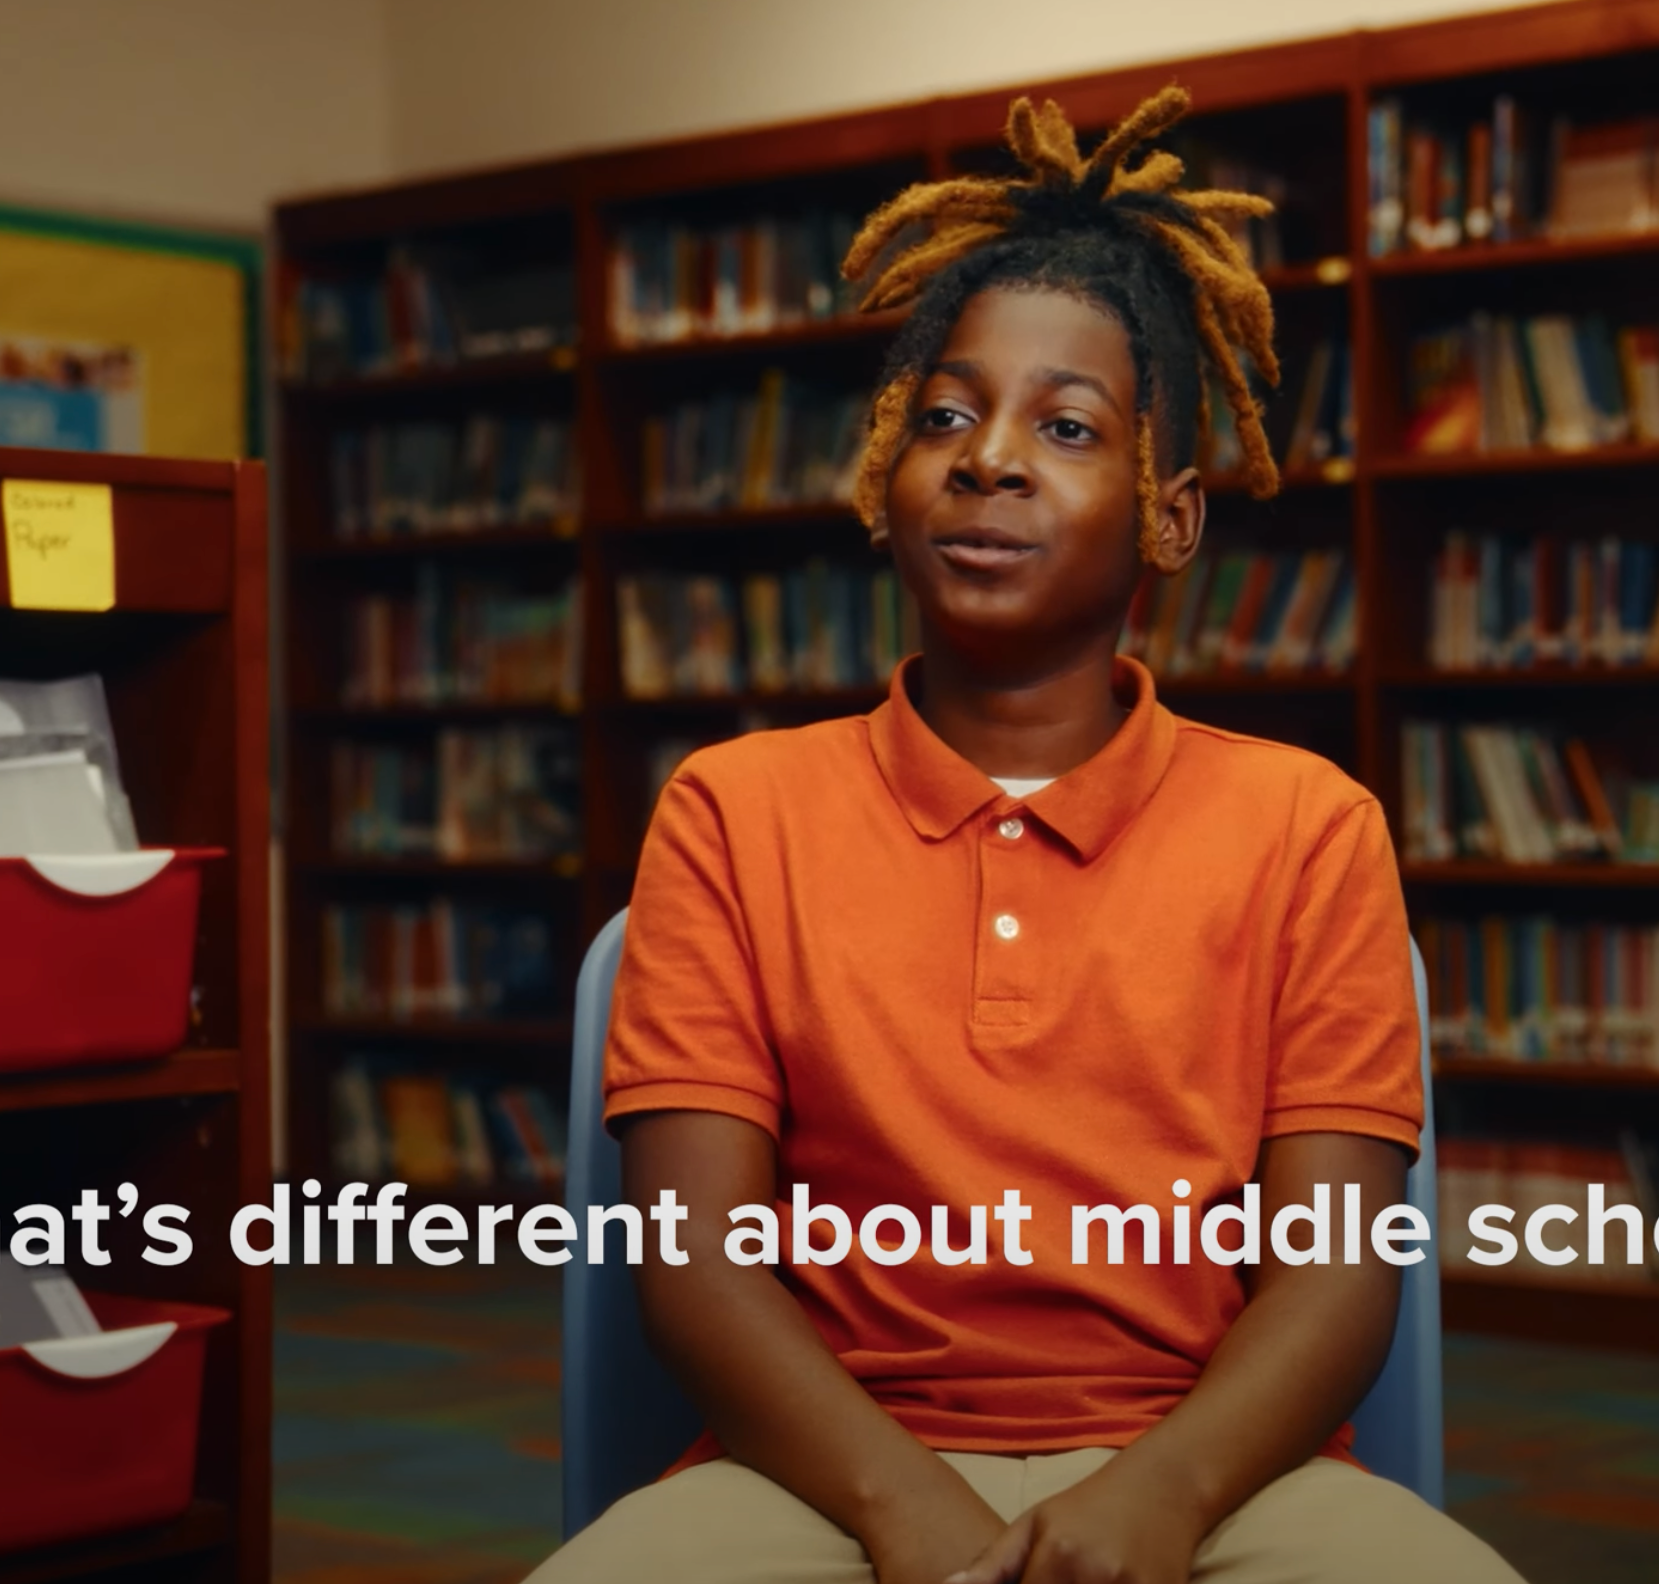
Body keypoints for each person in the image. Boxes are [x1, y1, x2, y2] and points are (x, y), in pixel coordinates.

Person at [530, 88, 1527, 1584]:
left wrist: (1162, 1499)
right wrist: (902, 1509)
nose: (988, 459)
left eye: (1067, 426)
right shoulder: (734, 813)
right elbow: (696, 1263)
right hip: (821, 1469)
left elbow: (1333, 1273)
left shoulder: (1309, 828)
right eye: (944, 416)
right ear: (885, 474)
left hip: (1212, 1467)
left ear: (1171, 516)